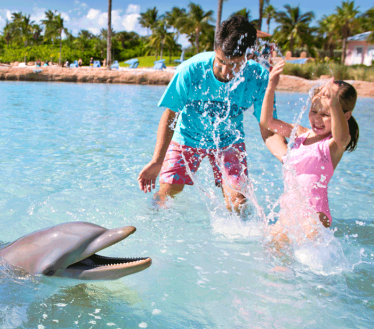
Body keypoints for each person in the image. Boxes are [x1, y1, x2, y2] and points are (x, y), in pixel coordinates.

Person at [137, 16, 285, 212]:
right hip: (187, 137)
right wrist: (157, 160)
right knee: (167, 192)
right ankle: (151, 225)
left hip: (229, 141)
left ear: (248, 57)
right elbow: (171, 115)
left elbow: (269, 128)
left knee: (238, 201)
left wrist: (288, 158)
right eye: (221, 61)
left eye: (235, 65)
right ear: (215, 50)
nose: (226, 71)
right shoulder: (190, 70)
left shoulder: (258, 78)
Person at [260, 60, 359, 238]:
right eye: (314, 111)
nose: (317, 119)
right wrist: (271, 88)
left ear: (345, 115)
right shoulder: (301, 134)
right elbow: (268, 122)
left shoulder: (333, 144)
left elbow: (342, 136)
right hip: (288, 213)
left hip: (314, 216)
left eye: (325, 114)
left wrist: (335, 103)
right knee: (271, 255)